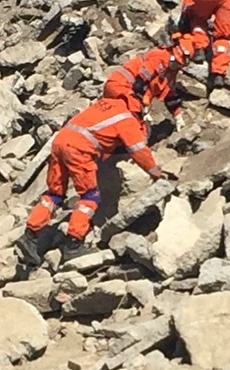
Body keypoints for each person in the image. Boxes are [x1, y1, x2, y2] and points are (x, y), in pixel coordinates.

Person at [20, 93, 164, 261]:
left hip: (60, 140)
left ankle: (30, 235)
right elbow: (138, 150)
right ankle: (73, 243)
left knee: (55, 194)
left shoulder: (108, 103)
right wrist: (155, 172)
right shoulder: (127, 120)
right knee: (90, 197)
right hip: (78, 149)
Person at [103, 42, 179, 112]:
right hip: (121, 86)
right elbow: (139, 83)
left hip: (122, 87)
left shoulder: (170, 72)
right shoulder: (158, 59)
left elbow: (169, 94)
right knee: (131, 118)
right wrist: (142, 105)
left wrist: (177, 114)